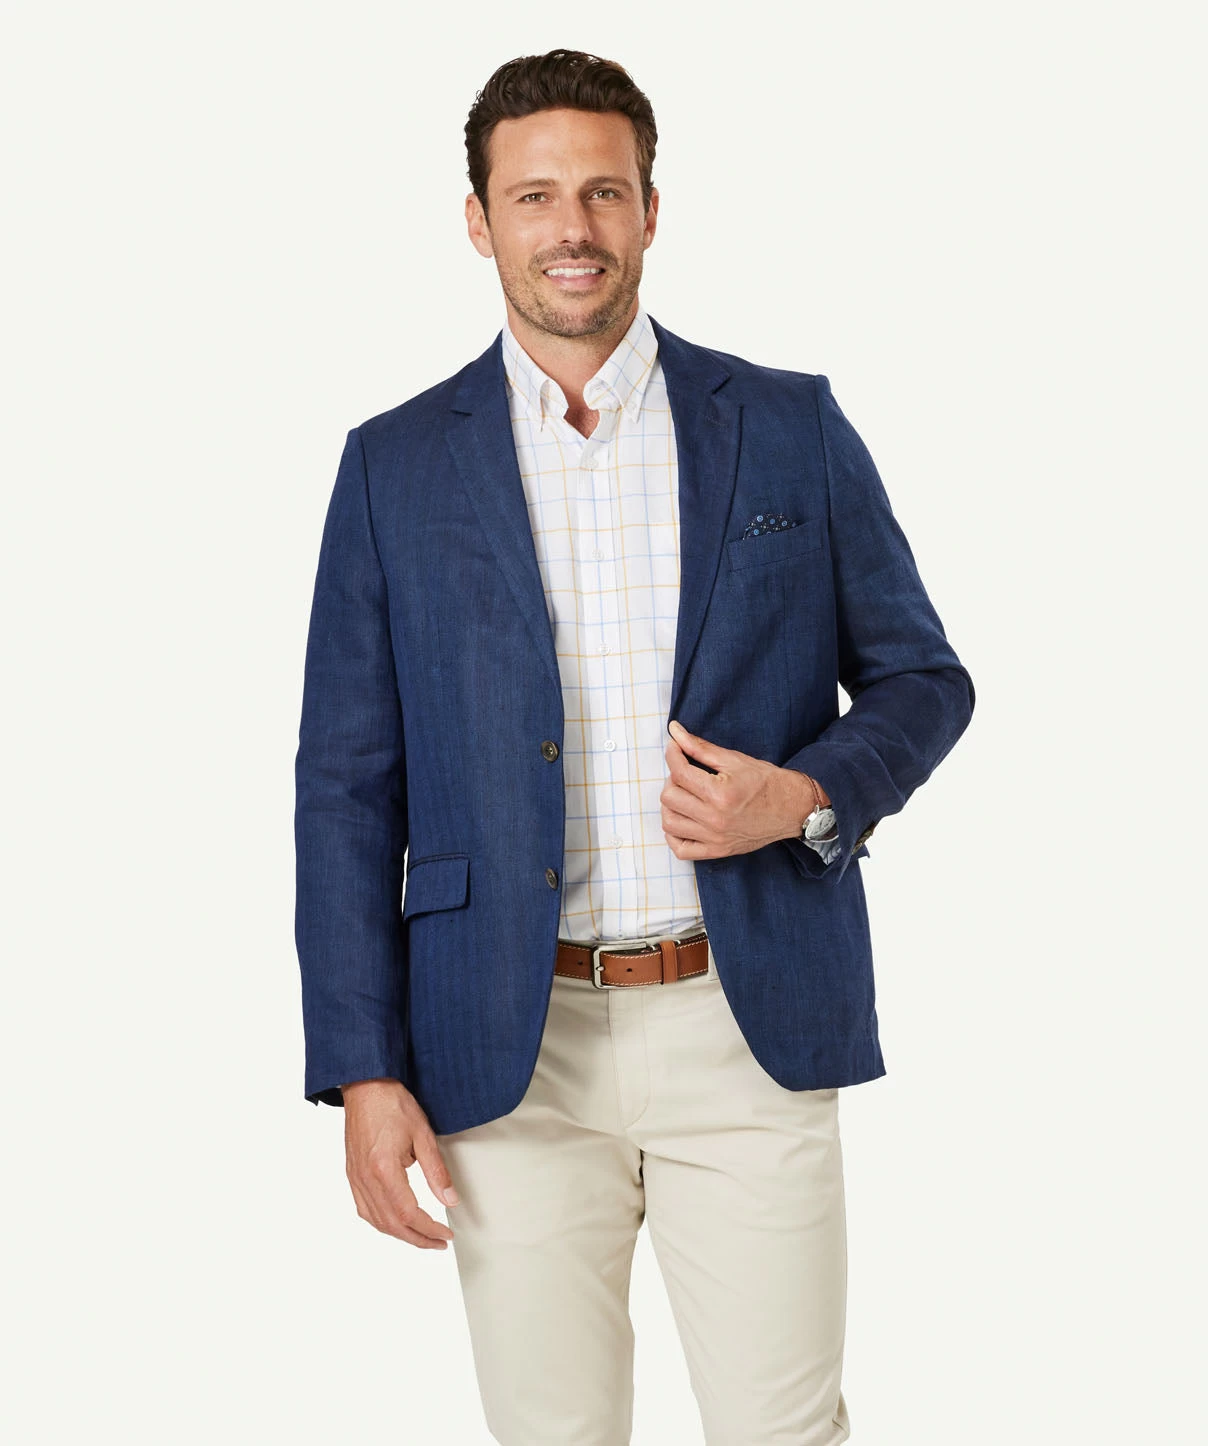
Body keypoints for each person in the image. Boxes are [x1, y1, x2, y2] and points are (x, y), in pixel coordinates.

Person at [294, 47, 975, 1446]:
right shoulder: (392, 466)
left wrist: (807, 795)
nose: (574, 228)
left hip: (745, 1020)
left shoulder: (785, 425)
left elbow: (924, 679)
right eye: (534, 195)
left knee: (786, 1431)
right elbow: (348, 789)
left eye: (604, 192)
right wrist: (362, 1065)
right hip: (508, 1046)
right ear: (478, 220)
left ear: (652, 209)